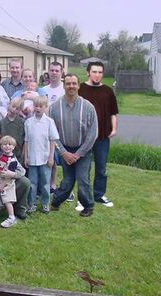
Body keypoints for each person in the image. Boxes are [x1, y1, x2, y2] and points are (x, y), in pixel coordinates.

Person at [49, 74, 98, 217]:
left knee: (83, 179)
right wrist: (63, 153)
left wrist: (79, 154)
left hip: (84, 150)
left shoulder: (88, 107)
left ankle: (88, 206)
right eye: (68, 83)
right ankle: (55, 202)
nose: (71, 86)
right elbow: (52, 134)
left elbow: (93, 133)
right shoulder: (54, 108)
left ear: (78, 86)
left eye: (74, 83)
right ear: (64, 86)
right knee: (68, 181)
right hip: (65, 150)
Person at [78, 61, 118, 210]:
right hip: (84, 137)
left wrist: (114, 129)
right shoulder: (80, 89)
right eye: (94, 71)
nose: (97, 75)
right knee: (84, 169)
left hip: (102, 137)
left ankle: (99, 194)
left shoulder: (108, 91)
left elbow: (113, 113)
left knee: (101, 168)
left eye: (100, 72)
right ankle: (83, 198)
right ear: (88, 72)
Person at [41, 61, 71, 200]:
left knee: (65, 160)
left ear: (61, 72)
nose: (54, 73)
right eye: (51, 70)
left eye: (56, 70)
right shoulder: (43, 90)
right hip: (47, 130)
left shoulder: (65, 89)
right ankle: (52, 184)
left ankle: (67, 188)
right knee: (51, 158)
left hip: (62, 130)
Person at [24, 96, 59, 214]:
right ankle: (31, 203)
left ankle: (45, 203)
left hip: (45, 158)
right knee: (32, 183)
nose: (38, 108)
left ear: (45, 108)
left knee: (45, 183)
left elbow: (52, 140)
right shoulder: (28, 122)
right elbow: (26, 141)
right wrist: (26, 157)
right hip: (32, 158)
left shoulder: (49, 122)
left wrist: (51, 157)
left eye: (41, 106)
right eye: (36, 106)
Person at [0, 135, 19, 228]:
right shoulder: (2, 156)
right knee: (6, 200)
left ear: (13, 147)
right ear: (1, 146)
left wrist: (2, 185)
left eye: (9, 144)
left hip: (6, 183)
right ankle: (9, 214)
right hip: (0, 179)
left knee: (7, 200)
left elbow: (9, 176)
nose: (7, 146)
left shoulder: (12, 160)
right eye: (4, 144)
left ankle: (11, 218)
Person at [0, 98, 25, 165]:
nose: (14, 110)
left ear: (20, 110)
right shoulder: (1, 123)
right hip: (3, 155)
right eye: (13, 107)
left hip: (18, 155)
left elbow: (25, 140)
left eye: (17, 109)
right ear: (9, 105)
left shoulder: (22, 123)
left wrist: (23, 154)